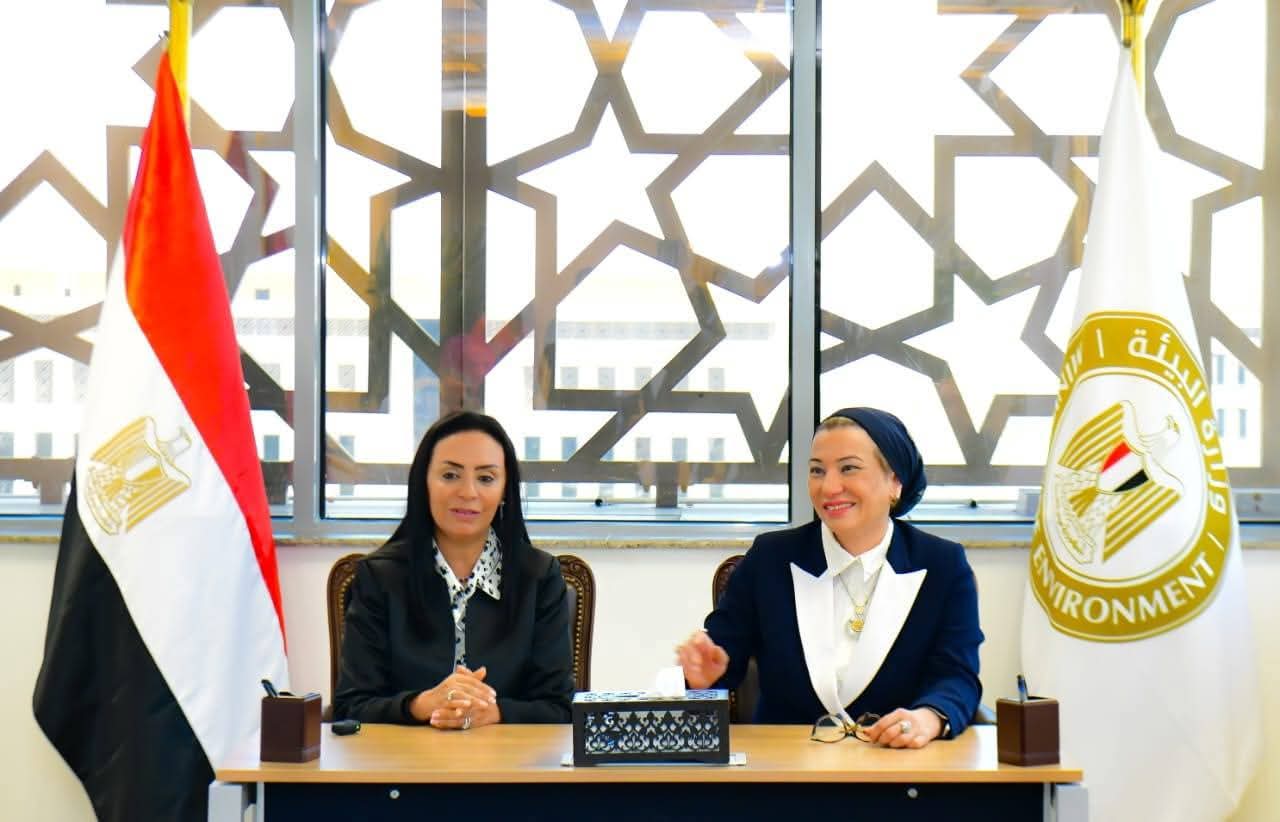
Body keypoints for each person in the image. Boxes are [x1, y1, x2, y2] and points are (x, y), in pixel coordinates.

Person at [676, 407, 983, 748]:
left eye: (848, 468)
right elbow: (720, 664)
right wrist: (700, 679)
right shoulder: (769, 558)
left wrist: (928, 717)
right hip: (785, 764)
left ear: (895, 481)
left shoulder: (942, 565)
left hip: (896, 763)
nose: (829, 487)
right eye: (817, 471)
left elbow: (957, 676)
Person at [334, 411, 574, 727]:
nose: (468, 492)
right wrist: (421, 705)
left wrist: (493, 713)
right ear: (424, 483)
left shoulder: (539, 578)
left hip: (508, 757)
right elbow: (350, 706)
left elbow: (560, 707)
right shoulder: (380, 578)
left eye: (486, 478)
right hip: (405, 757)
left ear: (505, 490)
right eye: (450, 475)